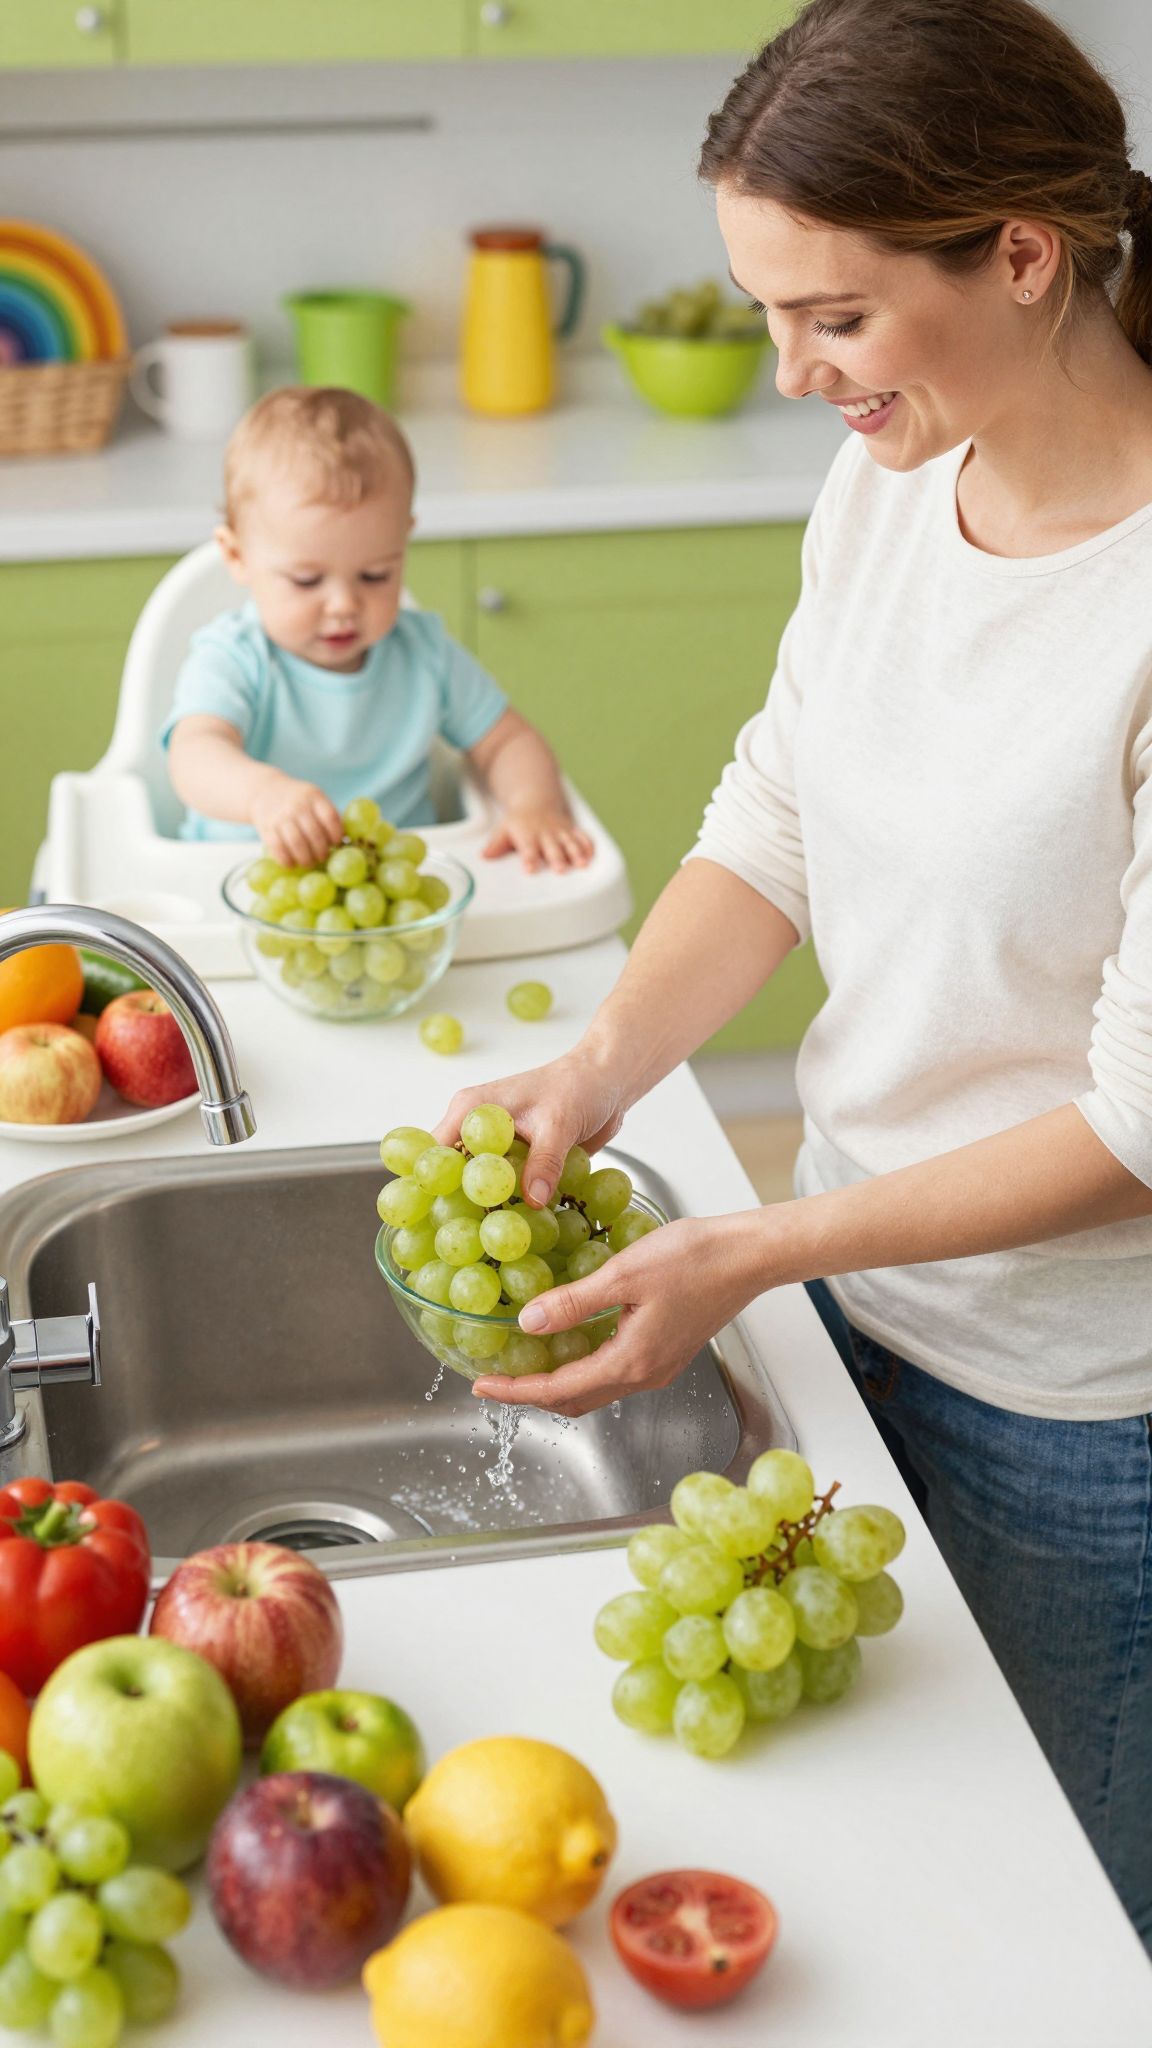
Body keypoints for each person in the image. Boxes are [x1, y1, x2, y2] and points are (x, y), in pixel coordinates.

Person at [436, 0, 1152, 1951]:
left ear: (1019, 250)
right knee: (880, 1885)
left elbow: (1141, 1129)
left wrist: (753, 1247)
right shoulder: (906, 468)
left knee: (1053, 1929)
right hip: (849, 1311)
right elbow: (778, 816)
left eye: (830, 313)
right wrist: (597, 1066)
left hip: (1083, 1413)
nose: (790, 369)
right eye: (768, 310)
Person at [164, 386, 593, 874]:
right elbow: (194, 755)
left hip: (395, 889)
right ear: (237, 556)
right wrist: (263, 795)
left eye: (376, 576)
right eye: (307, 581)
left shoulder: (424, 653)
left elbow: (508, 741)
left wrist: (533, 806)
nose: (345, 604)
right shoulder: (233, 657)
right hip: (239, 879)